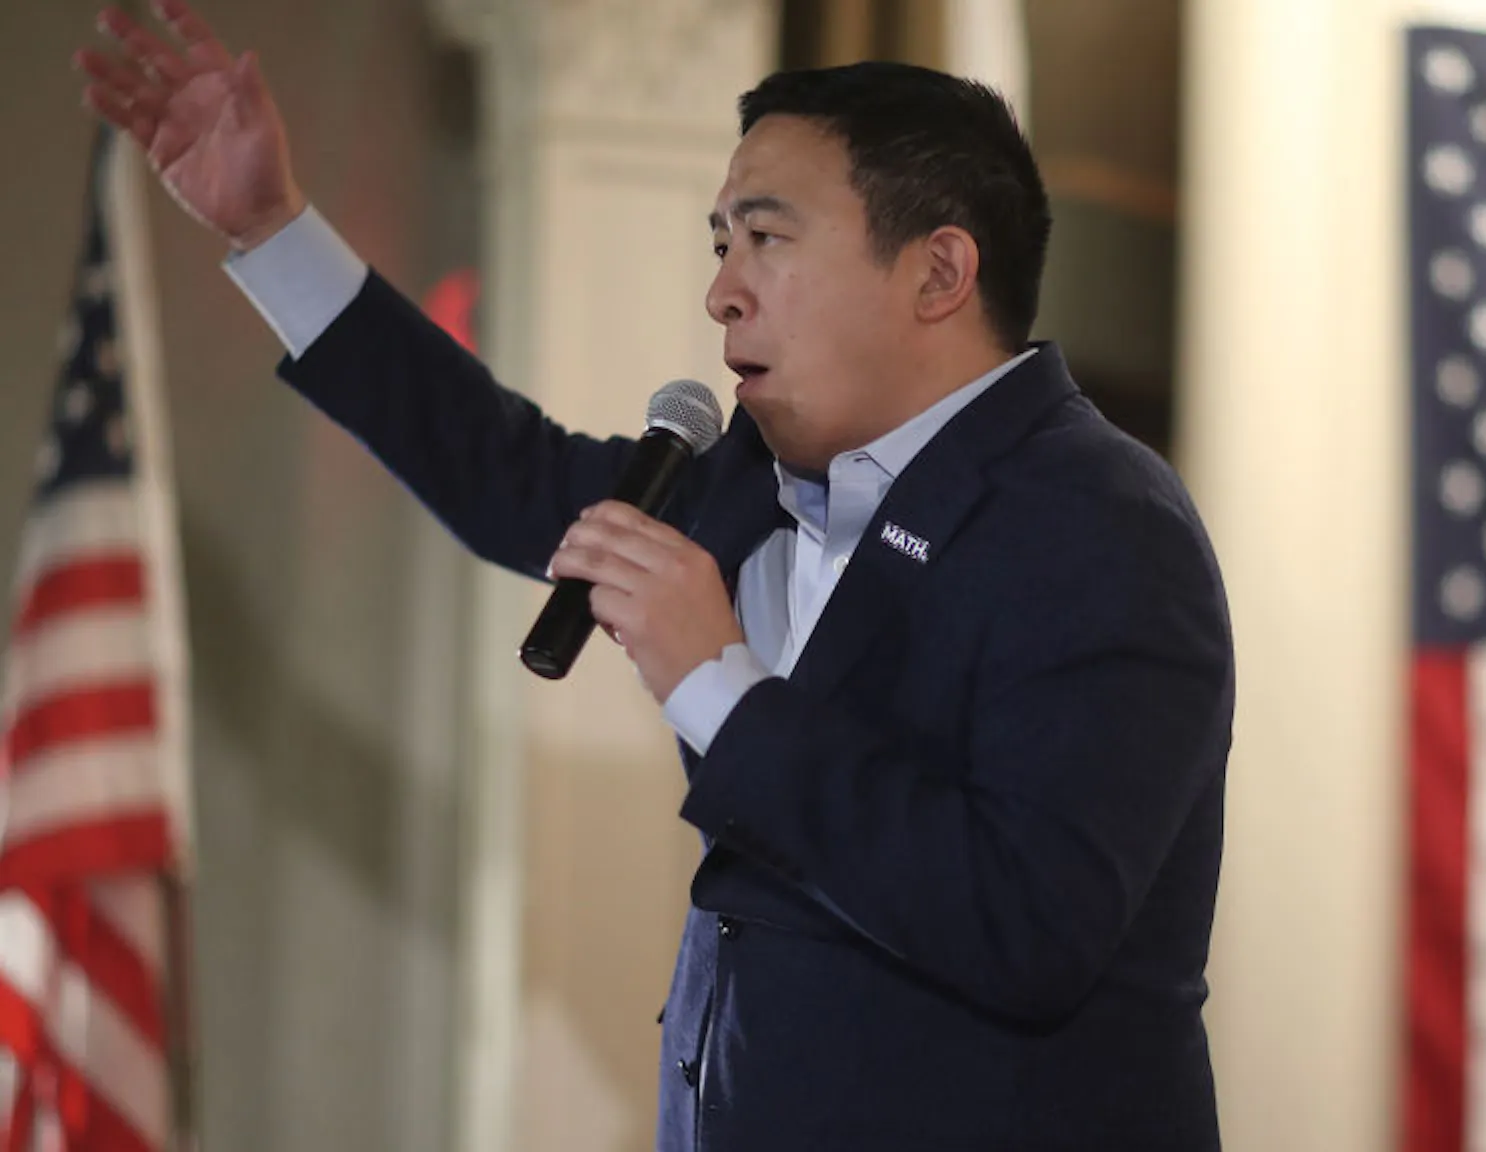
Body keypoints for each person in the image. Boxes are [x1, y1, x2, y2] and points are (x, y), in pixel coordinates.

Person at [77, 2, 1235, 1148]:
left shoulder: (1102, 527)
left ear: (937, 272)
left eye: (767, 239)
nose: (721, 289)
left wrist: (717, 686)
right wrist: (271, 228)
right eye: (718, 242)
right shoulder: (739, 480)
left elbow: (1027, 924)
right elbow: (503, 471)